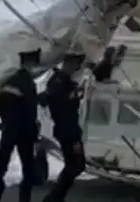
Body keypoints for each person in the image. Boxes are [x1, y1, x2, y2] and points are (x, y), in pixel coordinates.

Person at [0, 48, 42, 202]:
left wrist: (5, 122)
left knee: (1, 169)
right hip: (24, 133)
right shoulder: (28, 83)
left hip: (8, 130)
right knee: (28, 170)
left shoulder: (9, 81)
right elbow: (30, 110)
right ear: (31, 63)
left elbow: (1, 105)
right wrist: (35, 134)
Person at [42, 52, 87, 202]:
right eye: (76, 65)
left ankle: (56, 196)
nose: (77, 68)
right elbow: (63, 108)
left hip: (68, 128)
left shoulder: (63, 81)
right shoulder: (58, 82)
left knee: (75, 164)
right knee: (76, 164)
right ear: (69, 64)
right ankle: (54, 197)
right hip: (67, 129)